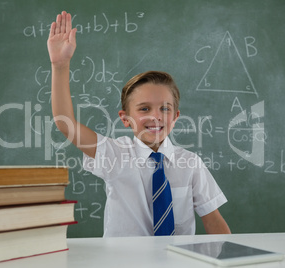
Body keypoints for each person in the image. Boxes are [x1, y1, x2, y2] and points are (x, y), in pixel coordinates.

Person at [47, 11, 231, 237]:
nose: (156, 116)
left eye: (165, 108)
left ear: (175, 117)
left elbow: (214, 221)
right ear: (125, 118)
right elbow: (66, 124)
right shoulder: (114, 154)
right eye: (144, 109)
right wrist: (60, 65)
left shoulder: (191, 164)